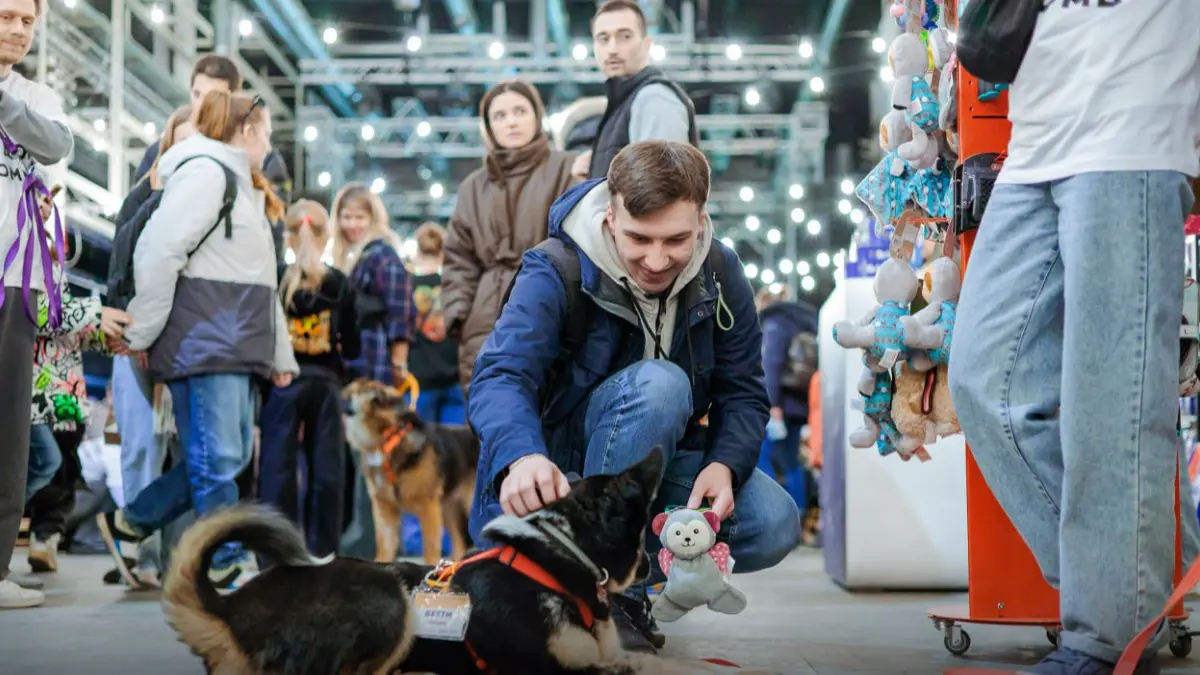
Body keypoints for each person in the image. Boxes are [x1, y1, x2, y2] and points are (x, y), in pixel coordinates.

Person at [467, 140, 801, 652]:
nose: (656, 258)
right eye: (639, 238)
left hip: (645, 473)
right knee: (661, 384)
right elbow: (499, 375)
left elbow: (744, 392)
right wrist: (520, 456)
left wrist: (727, 465)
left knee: (772, 520)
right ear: (609, 217)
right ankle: (603, 595)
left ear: (702, 218)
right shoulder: (554, 268)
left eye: (676, 240)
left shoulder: (721, 274)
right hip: (552, 482)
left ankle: (620, 583)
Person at [948, 2, 1200, 673]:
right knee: (981, 379)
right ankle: (1134, 581)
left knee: (1110, 408)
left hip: (1135, 131)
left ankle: (1108, 630)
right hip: (1033, 140)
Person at [97, 90, 298, 591]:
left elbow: (263, 279)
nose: (269, 145)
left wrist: (279, 352)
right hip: (204, 340)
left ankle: (132, 522)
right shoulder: (206, 173)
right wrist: (142, 329)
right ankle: (225, 561)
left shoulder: (238, 184)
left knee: (223, 460)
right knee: (216, 463)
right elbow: (158, 252)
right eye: (266, 133)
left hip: (233, 342)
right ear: (247, 130)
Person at [0, 0, 76, 610]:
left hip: (17, 285)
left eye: (28, 20)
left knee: (9, 435)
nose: (19, 30)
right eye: (7, 16)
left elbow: (53, 145)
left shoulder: (37, 96)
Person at [106, 103, 194, 587]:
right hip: (133, 343)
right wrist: (132, 333)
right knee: (139, 447)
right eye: (177, 143)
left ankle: (179, 557)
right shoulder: (141, 197)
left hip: (184, 348)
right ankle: (139, 554)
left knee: (182, 450)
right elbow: (119, 269)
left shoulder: (207, 203)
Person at [443, 79, 578, 393]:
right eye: (500, 116)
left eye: (520, 110)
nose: (512, 121)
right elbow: (458, 260)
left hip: (548, 310)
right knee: (489, 420)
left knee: (550, 416)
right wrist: (459, 317)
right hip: (482, 320)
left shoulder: (568, 169)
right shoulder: (473, 187)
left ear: (537, 116)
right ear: (488, 127)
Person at [257, 199, 360, 557]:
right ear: (326, 234)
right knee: (327, 471)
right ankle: (324, 554)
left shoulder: (273, 277)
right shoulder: (339, 283)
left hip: (282, 383)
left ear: (287, 236)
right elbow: (354, 343)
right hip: (327, 385)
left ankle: (276, 556)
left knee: (276, 470)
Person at [329, 183, 412, 559]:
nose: (353, 224)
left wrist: (397, 362)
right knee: (362, 452)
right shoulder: (352, 255)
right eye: (347, 217)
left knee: (376, 453)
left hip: (375, 361)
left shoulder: (382, 254)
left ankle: (373, 541)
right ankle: (365, 538)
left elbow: (400, 310)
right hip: (354, 362)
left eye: (360, 217)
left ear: (372, 217)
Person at [574, 0, 698, 180]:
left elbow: (660, 192)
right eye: (603, 39)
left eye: (624, 36)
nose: (612, 49)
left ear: (647, 44)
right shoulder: (625, 103)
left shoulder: (655, 99)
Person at [756, 286, 819, 518]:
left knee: (762, 458)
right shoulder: (802, 322)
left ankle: (772, 515)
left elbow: (770, 365)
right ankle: (798, 515)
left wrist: (772, 405)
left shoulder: (774, 324)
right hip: (797, 405)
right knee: (792, 462)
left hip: (777, 407)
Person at [408, 222, 464, 425]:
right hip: (454, 378)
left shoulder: (406, 284)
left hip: (418, 381)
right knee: (455, 450)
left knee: (422, 453)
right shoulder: (455, 283)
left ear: (417, 248)